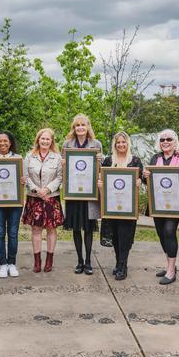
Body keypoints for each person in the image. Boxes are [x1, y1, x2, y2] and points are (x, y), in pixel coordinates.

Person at [141, 129, 179, 285]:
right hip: (157, 203)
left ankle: (171, 271)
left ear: (174, 141)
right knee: (161, 233)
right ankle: (170, 264)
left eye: (168, 139)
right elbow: (147, 182)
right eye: (162, 140)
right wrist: (145, 176)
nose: (165, 142)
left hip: (176, 204)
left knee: (169, 231)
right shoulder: (155, 158)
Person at [61, 114, 103, 275]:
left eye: (83, 125)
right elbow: (64, 170)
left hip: (89, 194)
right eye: (77, 125)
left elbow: (101, 169)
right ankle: (79, 261)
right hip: (73, 193)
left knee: (88, 228)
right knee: (76, 228)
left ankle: (88, 262)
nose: (80, 128)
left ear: (88, 127)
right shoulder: (67, 144)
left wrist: (101, 158)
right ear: (74, 127)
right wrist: (63, 163)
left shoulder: (96, 144)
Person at [99, 131, 143, 280]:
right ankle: (119, 263)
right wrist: (100, 185)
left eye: (123, 142)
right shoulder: (108, 161)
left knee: (125, 236)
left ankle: (123, 266)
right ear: (115, 144)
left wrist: (139, 183)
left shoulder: (135, 161)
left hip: (128, 207)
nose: (121, 144)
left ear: (128, 143)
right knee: (116, 237)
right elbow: (102, 183)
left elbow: (142, 182)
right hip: (111, 206)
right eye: (118, 142)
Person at [22, 128, 64, 273]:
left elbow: (60, 177)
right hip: (35, 198)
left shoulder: (57, 157)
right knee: (36, 229)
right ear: (38, 140)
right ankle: (37, 261)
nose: (45, 141)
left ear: (52, 141)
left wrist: (47, 189)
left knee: (51, 229)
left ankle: (49, 260)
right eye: (42, 138)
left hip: (51, 198)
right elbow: (25, 177)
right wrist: (37, 190)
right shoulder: (29, 156)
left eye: (48, 139)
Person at [0, 131, 24, 278]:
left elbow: (25, 177)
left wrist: (23, 180)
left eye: (5, 141)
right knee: (0, 233)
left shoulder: (18, 159)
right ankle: (2, 264)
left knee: (13, 233)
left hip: (15, 202)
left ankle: (12, 263)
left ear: (10, 143)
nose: (2, 143)